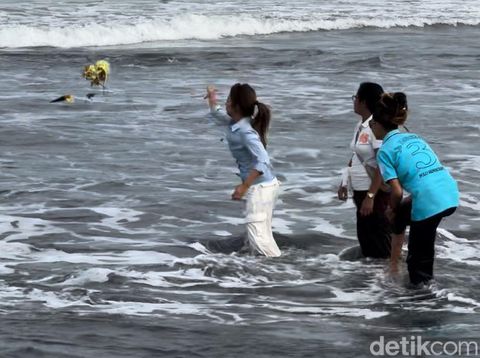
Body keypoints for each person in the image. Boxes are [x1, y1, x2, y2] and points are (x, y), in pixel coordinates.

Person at [370, 92, 459, 285]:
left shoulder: (385, 151)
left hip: (429, 201)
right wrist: (397, 210)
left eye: (371, 124)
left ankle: (423, 303)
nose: (370, 128)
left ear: (377, 124)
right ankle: (393, 265)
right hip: (449, 192)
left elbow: (396, 192)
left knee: (418, 261)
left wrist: (390, 208)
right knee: (402, 212)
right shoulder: (415, 137)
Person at [205, 83, 281, 257]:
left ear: (236, 106)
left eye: (228, 100)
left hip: (261, 188)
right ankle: (274, 269)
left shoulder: (246, 132)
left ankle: (278, 272)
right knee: (262, 234)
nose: (226, 104)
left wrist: (244, 186)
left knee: (258, 236)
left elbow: (263, 161)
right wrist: (211, 97)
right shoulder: (236, 123)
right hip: (265, 185)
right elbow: (216, 114)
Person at [338, 82, 391, 258]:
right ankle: (370, 282)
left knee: (379, 241)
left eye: (356, 98)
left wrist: (370, 196)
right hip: (361, 191)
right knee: (367, 239)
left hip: (374, 193)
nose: (354, 101)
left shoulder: (376, 127)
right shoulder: (361, 125)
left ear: (364, 102)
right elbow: (355, 156)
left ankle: (388, 280)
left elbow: (382, 165)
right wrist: (344, 182)